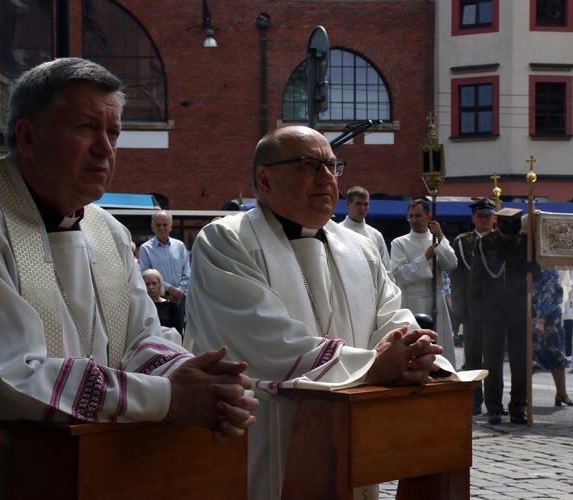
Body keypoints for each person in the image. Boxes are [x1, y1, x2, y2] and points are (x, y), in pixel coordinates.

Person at [0, 57, 257, 443]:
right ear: (27, 137)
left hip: (88, 463)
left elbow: (141, 338)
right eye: (86, 128)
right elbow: (5, 375)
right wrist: (167, 397)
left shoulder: (108, 230)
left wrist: (196, 382)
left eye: (113, 133)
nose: (105, 149)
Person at [185, 125, 443, 500]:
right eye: (309, 165)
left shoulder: (360, 247)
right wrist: (371, 366)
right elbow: (263, 343)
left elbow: (391, 313)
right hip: (262, 441)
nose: (326, 177)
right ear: (265, 179)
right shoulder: (226, 240)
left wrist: (411, 350)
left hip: (351, 437)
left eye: (332, 166)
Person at [469, 207, 528, 425]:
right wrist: (474, 310)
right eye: (504, 231)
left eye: (510, 233)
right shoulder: (485, 243)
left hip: (519, 309)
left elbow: (537, 277)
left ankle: (518, 407)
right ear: (498, 225)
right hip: (491, 310)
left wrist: (535, 270)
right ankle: (494, 406)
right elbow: (476, 279)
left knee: (520, 362)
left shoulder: (525, 243)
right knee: (492, 362)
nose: (506, 236)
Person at [390, 198, 458, 367]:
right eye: (410, 216)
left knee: (440, 348)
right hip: (411, 303)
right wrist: (425, 257)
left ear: (428, 218)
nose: (414, 220)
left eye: (418, 216)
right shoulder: (399, 243)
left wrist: (441, 237)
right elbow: (400, 275)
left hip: (436, 301)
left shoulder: (437, 241)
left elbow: (451, 264)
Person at [449, 197, 497, 415]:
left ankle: (494, 403)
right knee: (473, 358)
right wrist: (458, 308)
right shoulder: (463, 241)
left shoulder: (500, 240)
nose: (484, 220)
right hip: (471, 309)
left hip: (495, 308)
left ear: (494, 218)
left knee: (493, 359)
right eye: (480, 216)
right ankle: (474, 400)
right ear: (473, 218)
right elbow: (457, 277)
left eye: (488, 216)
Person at [532, 268, 573, 407]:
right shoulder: (548, 272)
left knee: (555, 356)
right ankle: (520, 395)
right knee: (535, 357)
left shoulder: (543, 271)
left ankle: (561, 394)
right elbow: (545, 297)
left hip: (547, 317)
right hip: (546, 318)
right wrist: (541, 320)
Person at [339, 185, 394, 282]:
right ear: (348, 204)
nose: (362, 208)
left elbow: (387, 270)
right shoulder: (337, 231)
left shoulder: (376, 235)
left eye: (366, 204)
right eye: (358, 204)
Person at [138, 211, 190, 305]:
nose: (161, 228)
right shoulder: (145, 249)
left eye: (165, 225)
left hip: (181, 298)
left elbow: (187, 273)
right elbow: (145, 275)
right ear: (152, 227)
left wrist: (179, 291)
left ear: (171, 226)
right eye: (158, 225)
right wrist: (169, 289)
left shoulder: (180, 246)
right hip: (159, 300)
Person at [142, 269, 184, 334]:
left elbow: (178, 332)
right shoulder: (140, 306)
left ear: (160, 284)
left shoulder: (171, 306)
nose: (151, 287)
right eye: (147, 284)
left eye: (154, 283)